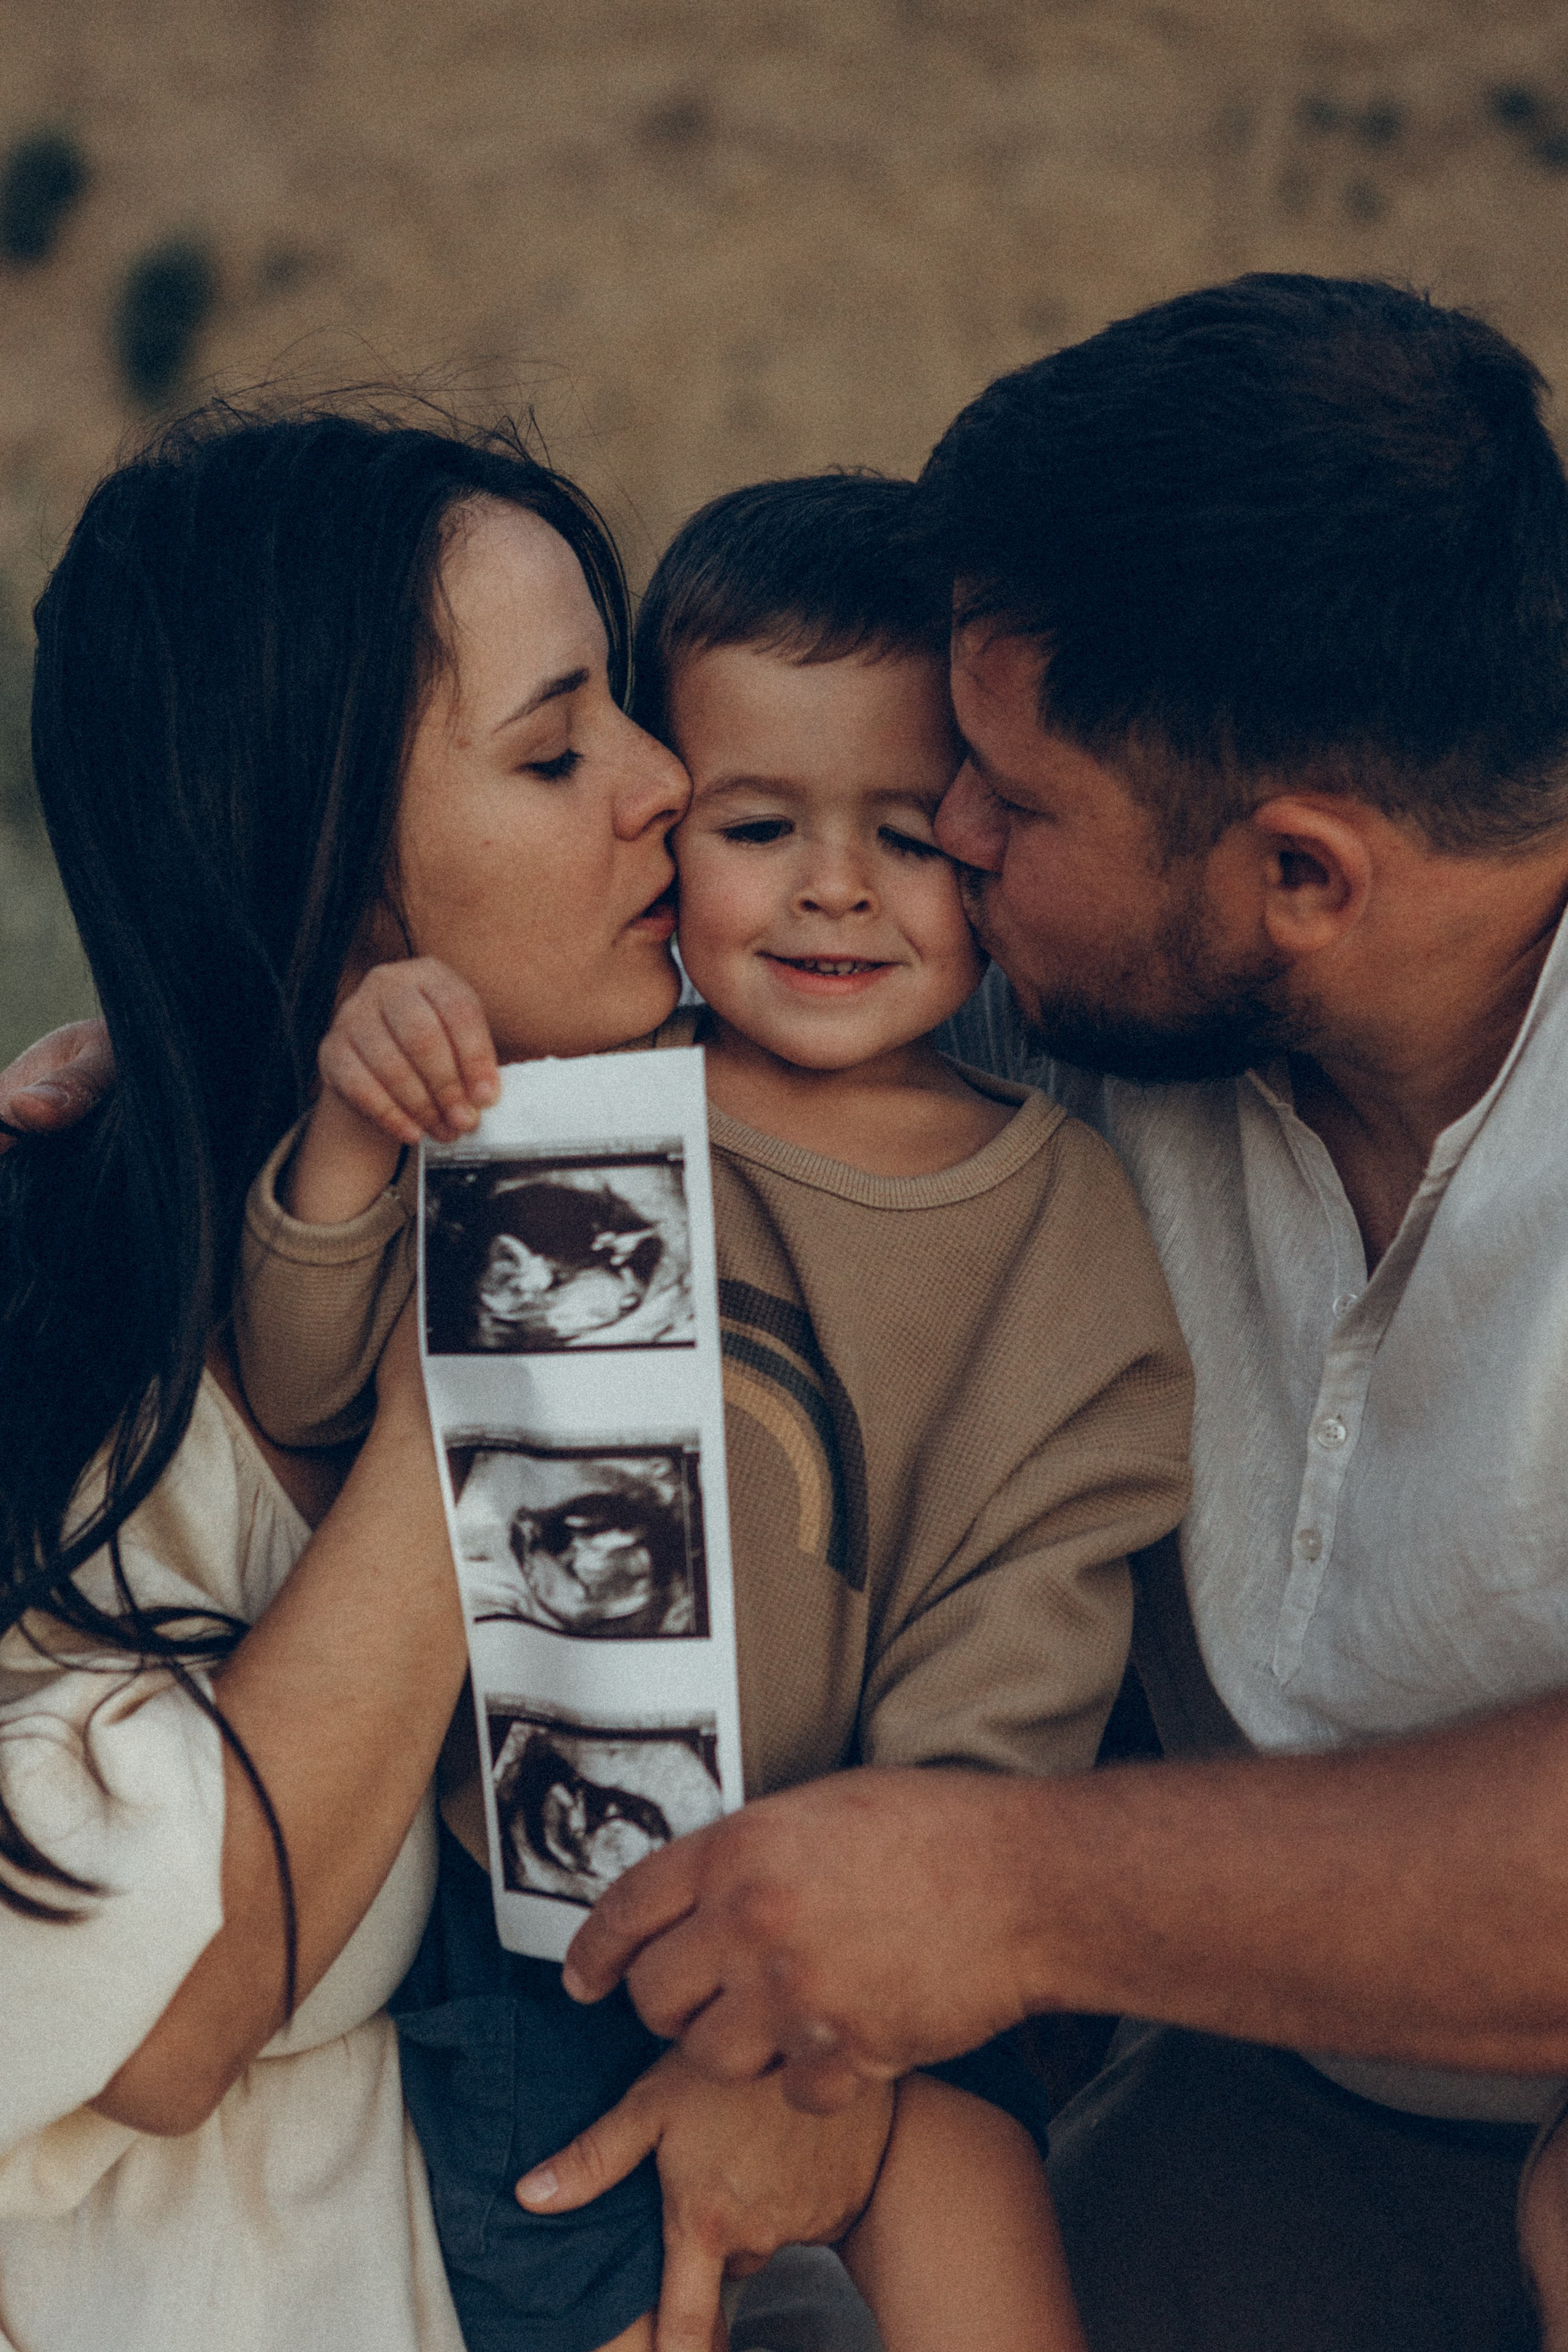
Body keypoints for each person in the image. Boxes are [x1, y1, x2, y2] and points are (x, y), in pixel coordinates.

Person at [556, 273, 1568, 2351]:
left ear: (1305, 877)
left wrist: (989, 1893)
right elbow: (692, 1001)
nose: (952, 857)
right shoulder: (1088, 1010)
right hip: (1269, 2087)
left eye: (997, 808)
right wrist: (224, 1068)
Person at [228, 471, 1194, 2352]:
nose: (836, 887)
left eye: (909, 836)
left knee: (972, 2187)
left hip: (884, 1886)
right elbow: (304, 1382)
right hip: (536, 1917)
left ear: (990, 841)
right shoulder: (553, 1093)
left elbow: (1034, 1604)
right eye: (761, 823)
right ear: (672, 823)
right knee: (584, 2255)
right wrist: (351, 1140)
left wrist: (866, 1950)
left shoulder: (1052, 1214)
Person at [0, 403, 894, 2352]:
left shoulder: (799, 1152)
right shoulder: (51, 1317)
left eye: (632, 715)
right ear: (316, 858)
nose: (668, 782)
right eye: (559, 747)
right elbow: (157, 2006)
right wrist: (474, 1371)